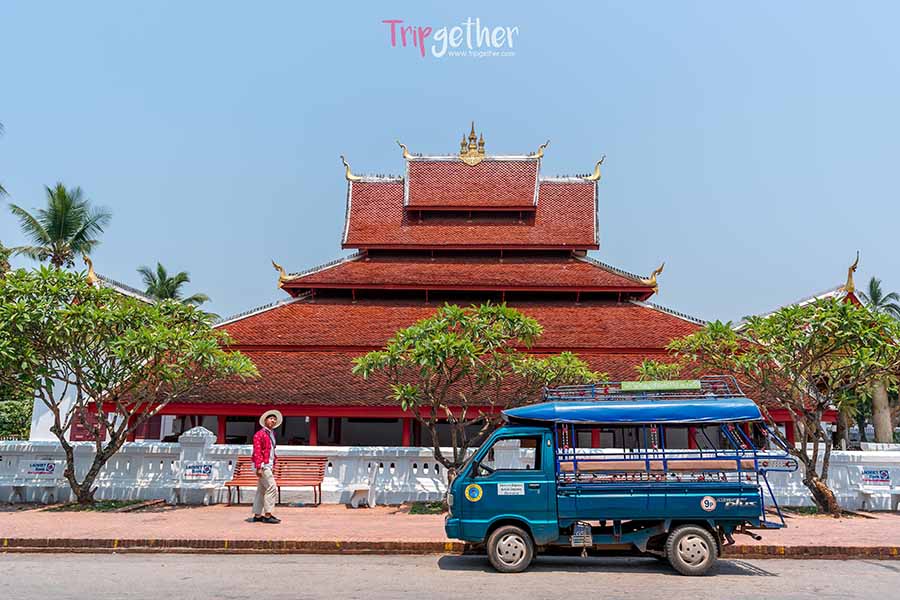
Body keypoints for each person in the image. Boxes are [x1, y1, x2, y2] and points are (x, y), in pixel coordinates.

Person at [251, 409, 282, 524]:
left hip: (268, 464)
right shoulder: (259, 434)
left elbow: (271, 450)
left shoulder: (271, 434)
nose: (273, 421)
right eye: (271, 418)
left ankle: (258, 515)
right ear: (265, 420)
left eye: (274, 419)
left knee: (262, 490)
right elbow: (257, 451)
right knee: (272, 487)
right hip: (263, 465)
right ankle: (268, 514)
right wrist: (259, 466)